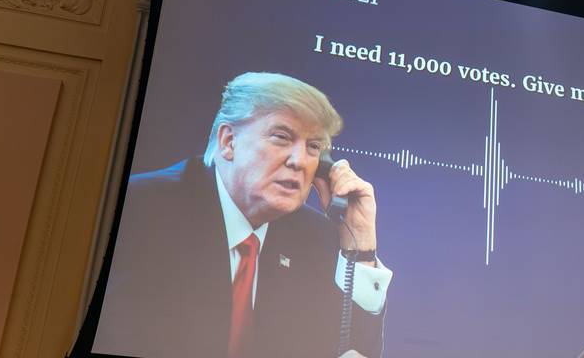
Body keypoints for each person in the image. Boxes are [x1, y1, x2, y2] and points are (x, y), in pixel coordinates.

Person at [97, 72, 390, 358]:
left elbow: (354, 351)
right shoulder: (140, 209)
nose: (299, 161)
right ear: (228, 141)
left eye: (313, 147)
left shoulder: (314, 235)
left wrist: (360, 246)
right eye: (281, 137)